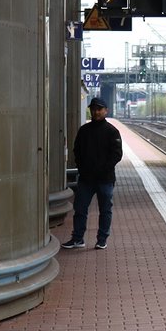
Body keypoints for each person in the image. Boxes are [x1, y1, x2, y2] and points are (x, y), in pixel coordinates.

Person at [64, 97, 123, 250]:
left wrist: (103, 168)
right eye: (93, 109)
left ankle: (102, 239)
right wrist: (82, 167)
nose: (96, 112)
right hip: (86, 179)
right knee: (80, 209)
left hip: (105, 179)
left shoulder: (112, 131)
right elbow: (76, 151)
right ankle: (77, 239)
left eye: (99, 109)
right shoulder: (84, 130)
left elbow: (117, 155)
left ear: (106, 111)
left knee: (105, 210)